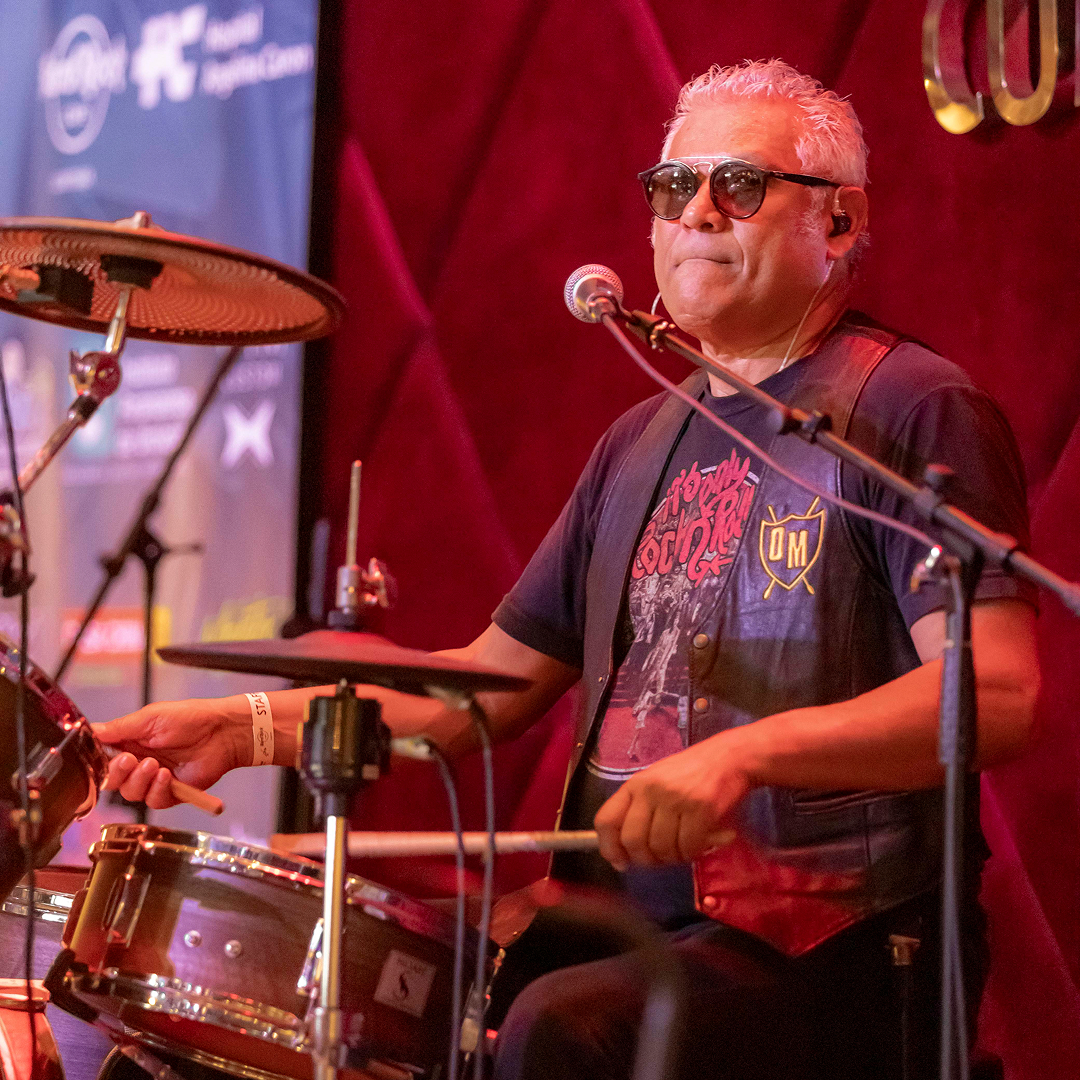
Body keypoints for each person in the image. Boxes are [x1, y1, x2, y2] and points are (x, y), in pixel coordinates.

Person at [95, 61, 1040, 1079]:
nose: (698, 213)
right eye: (674, 188)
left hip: (840, 946)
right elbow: (481, 691)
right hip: (626, 926)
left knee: (564, 1027)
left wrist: (745, 757)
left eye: (740, 184)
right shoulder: (639, 441)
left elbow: (996, 693)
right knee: (339, 992)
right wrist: (240, 729)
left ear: (840, 222)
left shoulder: (911, 407)